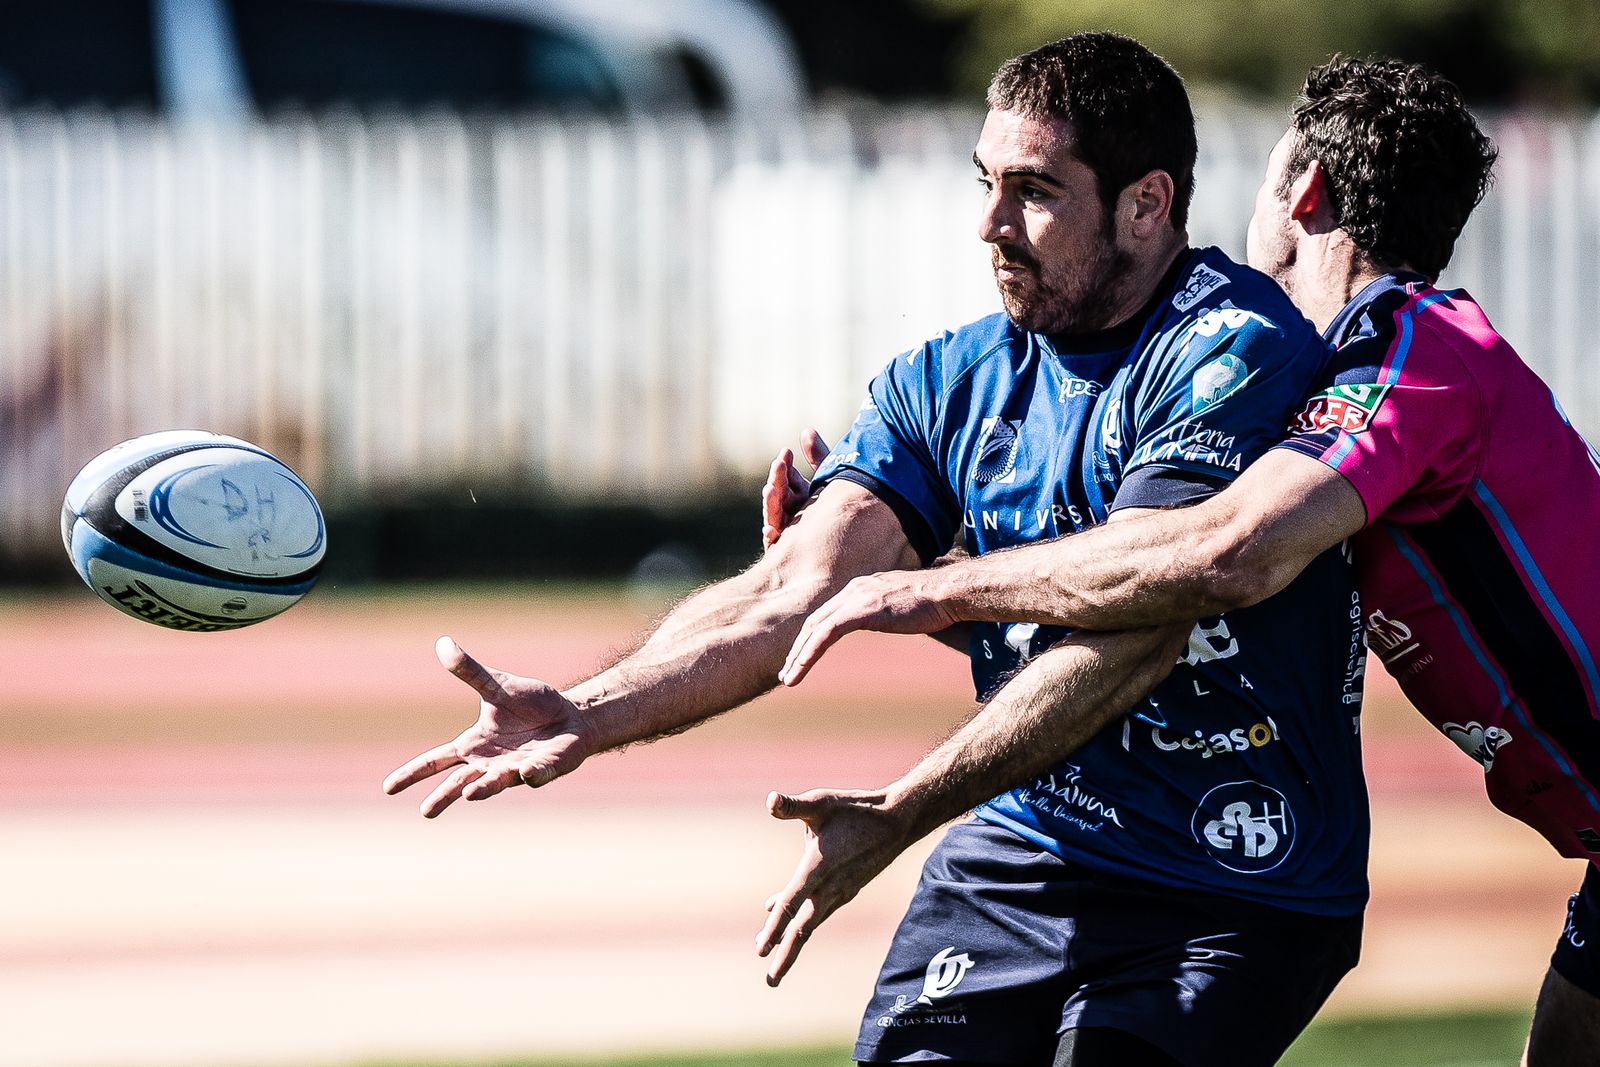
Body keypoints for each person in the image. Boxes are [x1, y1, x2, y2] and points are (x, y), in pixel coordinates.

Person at [386, 34, 1371, 1066]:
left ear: (1146, 204)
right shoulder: (949, 380)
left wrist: (902, 801)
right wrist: (590, 710)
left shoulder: (1230, 349)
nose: (990, 223)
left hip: (1231, 877)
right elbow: (791, 587)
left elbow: (1138, 622)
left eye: (1034, 191)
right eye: (986, 183)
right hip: (1028, 849)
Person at [766, 56, 1600, 1066]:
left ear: (1302, 191)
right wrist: (894, 577)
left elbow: (1220, 554)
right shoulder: (1337, 394)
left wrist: (929, 583)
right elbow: (1163, 611)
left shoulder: (1410, 356)